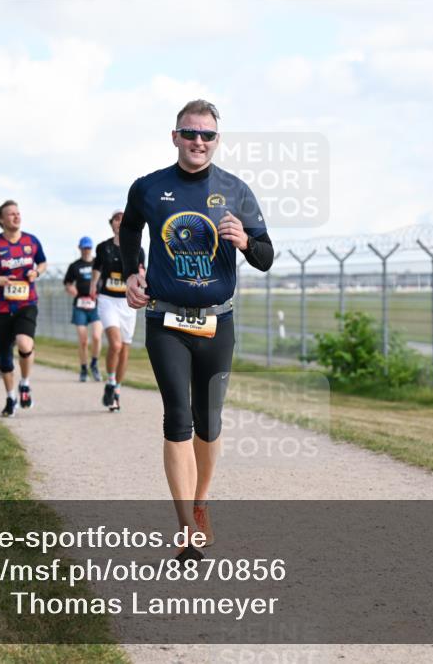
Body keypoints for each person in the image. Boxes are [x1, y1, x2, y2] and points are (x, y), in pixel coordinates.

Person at [120, 99, 274, 561]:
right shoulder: (149, 187)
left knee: (210, 422)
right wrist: (132, 272)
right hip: (165, 318)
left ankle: (201, 499)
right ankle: (185, 526)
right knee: (178, 417)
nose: (198, 142)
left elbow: (266, 257)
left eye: (207, 135)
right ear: (174, 137)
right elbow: (129, 231)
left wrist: (244, 241)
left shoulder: (235, 190)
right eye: (190, 133)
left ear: (217, 140)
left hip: (216, 320)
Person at [0, 200, 47, 417]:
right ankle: (10, 397)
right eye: (11, 214)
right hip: (0, 307)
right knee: (4, 358)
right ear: (1, 220)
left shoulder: (31, 241)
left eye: (18, 213)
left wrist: (37, 272)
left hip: (26, 302)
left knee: (24, 343)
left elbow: (42, 263)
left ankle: (25, 383)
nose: (16, 216)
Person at [93, 211, 145, 411]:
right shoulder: (103, 247)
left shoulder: (138, 250)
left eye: (124, 220)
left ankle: (117, 391)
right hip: (107, 300)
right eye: (116, 220)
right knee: (115, 345)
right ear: (112, 224)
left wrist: (143, 282)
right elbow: (97, 270)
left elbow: (142, 272)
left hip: (127, 303)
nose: (120, 223)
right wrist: (92, 288)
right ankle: (111, 380)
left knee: (124, 350)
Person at [64, 236, 102, 382]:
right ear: (80, 248)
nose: (87, 250)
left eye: (89, 248)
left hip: (96, 304)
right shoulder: (75, 266)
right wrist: (71, 289)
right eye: (84, 248)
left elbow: (103, 280)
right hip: (80, 305)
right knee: (83, 340)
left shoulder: (97, 263)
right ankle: (84, 368)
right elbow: (67, 283)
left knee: (97, 337)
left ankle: (94, 363)